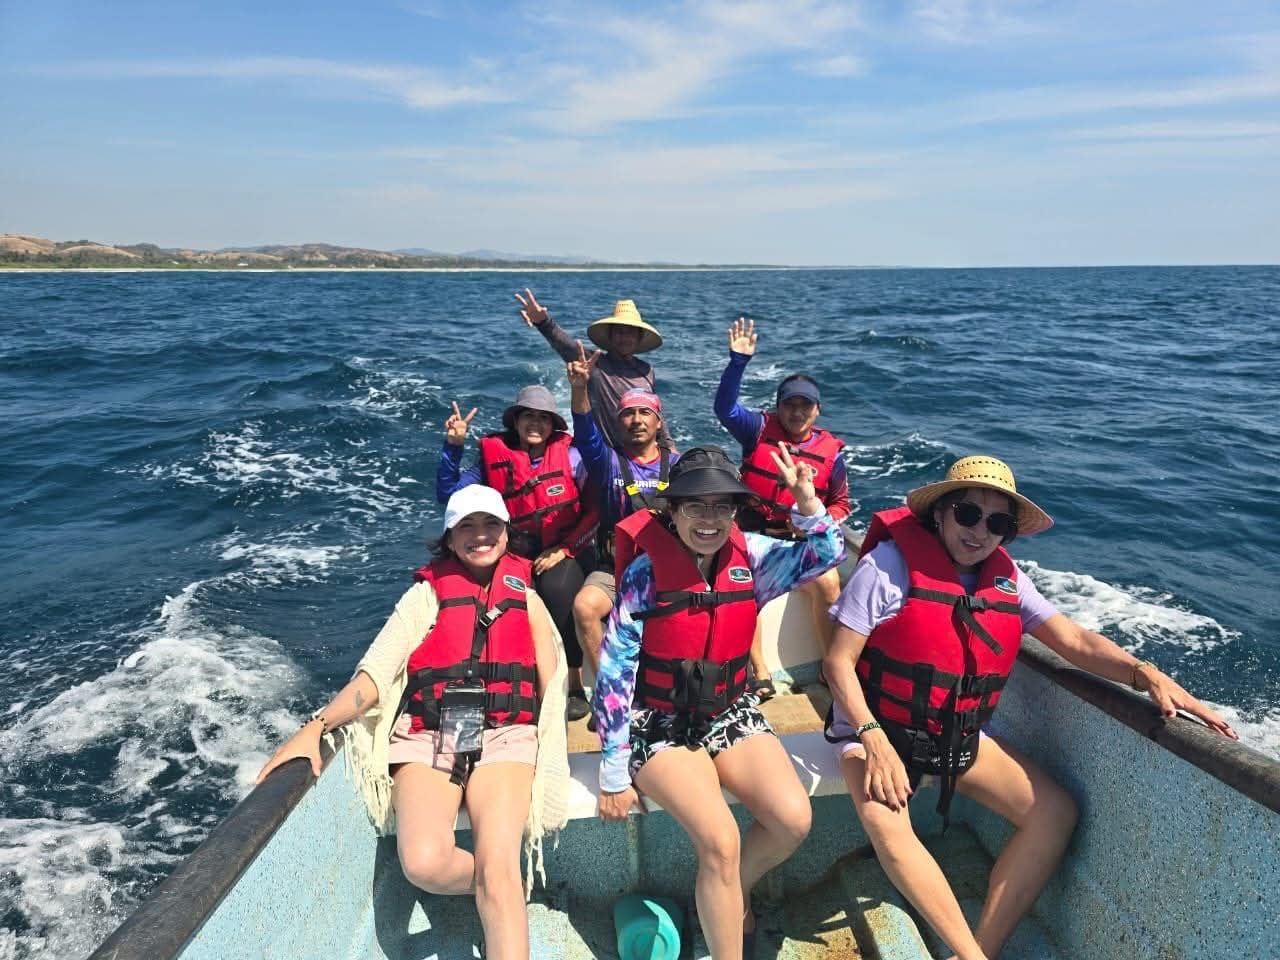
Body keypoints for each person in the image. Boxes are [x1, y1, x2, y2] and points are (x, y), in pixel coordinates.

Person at [823, 455, 1237, 960]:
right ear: (941, 513)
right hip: (873, 730)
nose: (980, 532)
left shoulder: (1008, 580)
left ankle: (981, 948)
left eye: (997, 523)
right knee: (890, 829)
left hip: (951, 735)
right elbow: (837, 663)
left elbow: (1074, 641)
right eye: (968, 514)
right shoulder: (886, 567)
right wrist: (872, 738)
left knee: (1054, 813)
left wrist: (1144, 673)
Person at [256, 485, 571, 960]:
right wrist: (316, 727)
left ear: (507, 533)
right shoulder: (423, 598)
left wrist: (553, 754)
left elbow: (553, 684)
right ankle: (497, 889)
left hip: (506, 734)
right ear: (449, 538)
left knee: (499, 864)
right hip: (431, 732)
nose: (480, 535)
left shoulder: (527, 598)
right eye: (466, 526)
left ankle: (499, 887)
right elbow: (374, 677)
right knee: (424, 863)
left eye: (491, 524)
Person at [594, 445, 846, 960]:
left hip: (729, 710)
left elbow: (826, 554)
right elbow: (615, 672)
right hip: (657, 721)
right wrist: (614, 772)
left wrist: (807, 502)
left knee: (792, 820)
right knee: (721, 841)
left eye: (722, 506)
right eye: (695, 505)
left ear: (735, 512)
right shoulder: (645, 574)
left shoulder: (753, 555)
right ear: (673, 510)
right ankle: (725, 922)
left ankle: (726, 895)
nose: (708, 519)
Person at [436, 384, 598, 719]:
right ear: (516, 421)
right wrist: (454, 446)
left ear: (553, 424)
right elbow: (449, 495)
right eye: (528, 416)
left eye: (543, 417)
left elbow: (595, 510)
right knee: (502, 597)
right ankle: (510, 680)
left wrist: (566, 549)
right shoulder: (493, 459)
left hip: (566, 547)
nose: (535, 423)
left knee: (559, 591)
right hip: (517, 550)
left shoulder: (572, 456)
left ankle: (573, 684)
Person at [714, 317, 851, 698]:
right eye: (789, 404)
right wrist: (738, 362)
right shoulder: (757, 429)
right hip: (752, 533)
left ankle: (830, 666)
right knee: (740, 581)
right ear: (777, 407)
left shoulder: (832, 455)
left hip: (799, 542)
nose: (796, 412)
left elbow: (840, 503)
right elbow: (724, 409)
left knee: (829, 582)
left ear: (817, 410)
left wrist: (816, 522)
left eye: (805, 405)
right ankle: (759, 671)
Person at [565, 342, 678, 676]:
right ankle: (610, 685)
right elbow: (586, 435)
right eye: (628, 413)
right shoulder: (607, 463)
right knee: (585, 607)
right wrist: (580, 389)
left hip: (667, 568)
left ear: (658, 423)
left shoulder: (679, 466)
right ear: (617, 423)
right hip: (614, 570)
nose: (636, 420)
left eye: (645, 413)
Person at [515, 288, 673, 450]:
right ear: (610, 336)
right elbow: (566, 345)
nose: (624, 338)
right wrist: (543, 322)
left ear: (639, 338)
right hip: (603, 454)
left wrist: (668, 445)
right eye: (619, 332)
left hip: (639, 452)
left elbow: (655, 411)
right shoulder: (594, 364)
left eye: (630, 333)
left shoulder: (647, 370)